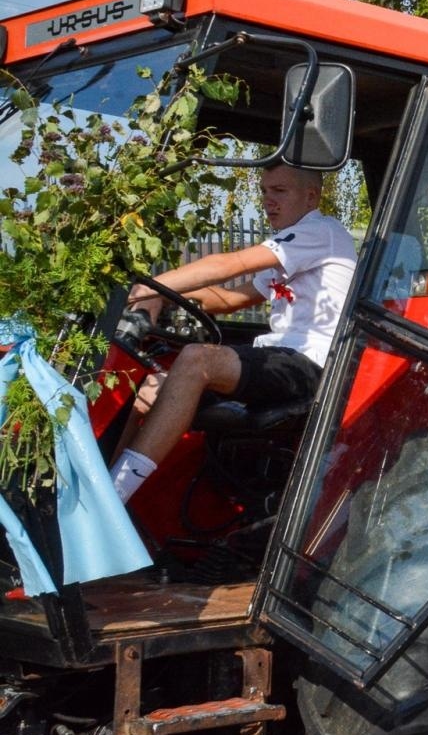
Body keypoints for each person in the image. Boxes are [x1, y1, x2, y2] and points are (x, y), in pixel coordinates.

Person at [110, 164, 357, 502]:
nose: (268, 201)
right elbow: (227, 300)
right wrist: (164, 298)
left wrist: (146, 288)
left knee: (197, 360)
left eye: (280, 191)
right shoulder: (292, 251)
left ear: (311, 196)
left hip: (311, 364)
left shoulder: (320, 231)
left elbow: (231, 264)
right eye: (265, 192)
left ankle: (117, 493)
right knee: (146, 390)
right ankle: (104, 488)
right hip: (280, 358)